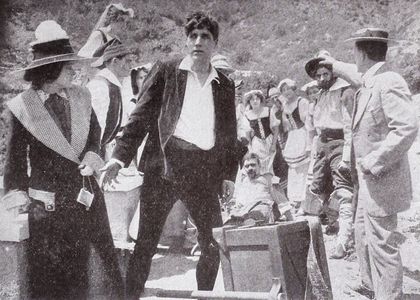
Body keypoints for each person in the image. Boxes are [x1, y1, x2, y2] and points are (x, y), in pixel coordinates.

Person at [100, 11, 238, 299]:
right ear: (186, 41)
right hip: (165, 167)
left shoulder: (224, 86)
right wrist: (119, 157)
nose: (198, 42)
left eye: (205, 37)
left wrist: (228, 176)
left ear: (215, 44)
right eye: (193, 36)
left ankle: (204, 296)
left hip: (203, 171)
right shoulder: (167, 70)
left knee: (213, 243)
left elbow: (228, 135)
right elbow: (140, 116)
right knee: (146, 245)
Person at [3, 20, 123, 299]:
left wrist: (93, 156)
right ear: (51, 68)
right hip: (48, 210)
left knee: (94, 279)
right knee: (51, 284)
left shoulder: (82, 96)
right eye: (68, 64)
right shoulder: (22, 107)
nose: (75, 69)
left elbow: (95, 135)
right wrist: (18, 202)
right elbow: (16, 162)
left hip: (87, 201)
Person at [320, 28, 418, 299]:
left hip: (381, 176)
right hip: (368, 181)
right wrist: (333, 64)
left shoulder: (389, 81)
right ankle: (370, 285)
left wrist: (374, 160)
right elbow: (354, 73)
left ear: (361, 53)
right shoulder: (371, 79)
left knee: (383, 243)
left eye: (354, 52)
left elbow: (407, 128)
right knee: (363, 233)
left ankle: (390, 295)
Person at [304, 50, 355, 259]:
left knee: (343, 191)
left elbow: (349, 125)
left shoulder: (344, 91)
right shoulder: (319, 95)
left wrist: (345, 156)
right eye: (318, 75)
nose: (322, 78)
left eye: (325, 74)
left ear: (333, 73)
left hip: (339, 142)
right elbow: (315, 127)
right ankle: (334, 225)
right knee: (319, 189)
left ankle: (344, 241)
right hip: (322, 143)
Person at [86, 39, 135, 160]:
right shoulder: (100, 86)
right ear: (115, 61)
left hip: (100, 150)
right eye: (128, 61)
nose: (131, 66)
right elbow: (95, 129)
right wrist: (93, 160)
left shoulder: (113, 85)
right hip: (90, 153)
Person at [226, 153, 293, 225]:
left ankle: (246, 221)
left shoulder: (268, 178)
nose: (250, 168)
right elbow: (239, 201)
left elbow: (282, 201)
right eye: (247, 166)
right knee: (230, 219)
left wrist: (291, 220)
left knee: (255, 215)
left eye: (253, 165)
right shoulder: (244, 182)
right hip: (245, 211)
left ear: (259, 166)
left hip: (263, 210)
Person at [275, 79, 310, 208]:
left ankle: (304, 202)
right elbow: (286, 126)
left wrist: (308, 143)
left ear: (294, 88)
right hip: (293, 137)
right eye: (283, 90)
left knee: (303, 169)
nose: (286, 92)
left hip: (303, 133)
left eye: (288, 88)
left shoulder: (302, 102)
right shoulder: (285, 105)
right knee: (293, 169)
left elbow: (308, 123)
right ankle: (295, 200)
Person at [242, 89, 280, 175]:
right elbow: (247, 135)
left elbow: (276, 129)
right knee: (259, 165)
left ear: (260, 100)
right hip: (257, 143)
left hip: (270, 141)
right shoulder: (247, 115)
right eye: (252, 99)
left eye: (257, 99)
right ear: (249, 101)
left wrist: (273, 144)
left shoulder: (268, 111)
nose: (255, 101)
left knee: (273, 165)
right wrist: (250, 149)